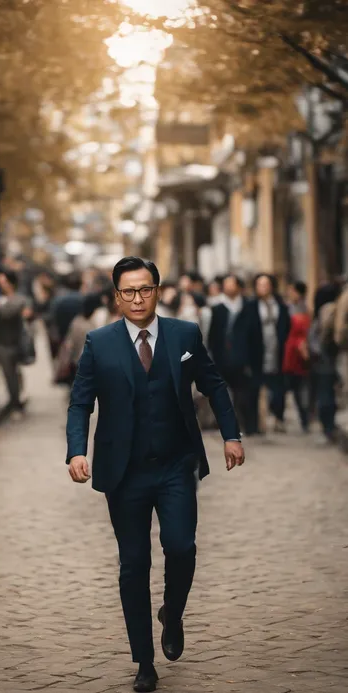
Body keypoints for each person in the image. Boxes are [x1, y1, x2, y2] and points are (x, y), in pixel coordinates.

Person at [66, 256, 244, 693]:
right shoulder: (99, 342)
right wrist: (75, 451)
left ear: (157, 290)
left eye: (145, 289)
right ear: (116, 296)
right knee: (134, 565)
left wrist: (231, 435)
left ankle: (173, 611)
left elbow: (213, 384)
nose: (137, 298)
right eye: (128, 291)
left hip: (176, 464)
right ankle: (144, 661)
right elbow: (80, 402)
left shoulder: (184, 334)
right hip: (123, 472)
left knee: (181, 547)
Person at [246, 273, 291, 435]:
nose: (263, 288)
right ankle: (254, 425)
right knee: (254, 389)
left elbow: (286, 328)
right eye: (260, 284)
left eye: (266, 284)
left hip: (277, 350)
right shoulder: (250, 306)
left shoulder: (281, 305)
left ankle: (278, 417)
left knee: (279, 387)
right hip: (257, 352)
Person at [208, 274, 251, 434]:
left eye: (231, 284)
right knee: (223, 393)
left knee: (242, 392)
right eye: (226, 284)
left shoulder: (247, 307)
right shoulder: (218, 309)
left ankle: (244, 422)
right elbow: (213, 336)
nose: (228, 287)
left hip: (242, 358)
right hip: (222, 358)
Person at [0, 271, 33, 414]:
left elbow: (27, 314)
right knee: (9, 373)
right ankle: (14, 400)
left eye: (3, 281)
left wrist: (1, 309)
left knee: (13, 373)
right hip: (2, 342)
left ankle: (16, 400)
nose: (1, 285)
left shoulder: (20, 299)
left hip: (15, 342)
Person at [309, 283, 340, 445]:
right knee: (327, 394)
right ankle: (329, 426)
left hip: (323, 360)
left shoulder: (323, 310)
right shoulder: (330, 309)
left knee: (325, 393)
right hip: (328, 358)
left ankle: (327, 426)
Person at [282, 312, 311, 432]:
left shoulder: (292, 338)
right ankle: (304, 421)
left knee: (298, 397)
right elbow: (306, 357)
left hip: (293, 372)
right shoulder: (300, 339)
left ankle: (304, 420)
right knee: (300, 397)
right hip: (299, 373)